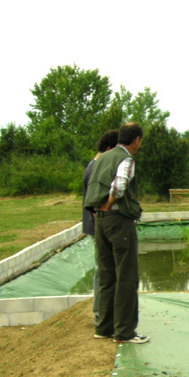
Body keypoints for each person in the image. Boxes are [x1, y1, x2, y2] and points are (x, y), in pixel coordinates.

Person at [84, 122, 149, 344]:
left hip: (100, 222)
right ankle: (124, 332)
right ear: (136, 140)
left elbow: (92, 188)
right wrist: (109, 202)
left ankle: (104, 328)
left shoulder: (102, 157)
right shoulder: (126, 159)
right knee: (126, 276)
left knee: (106, 275)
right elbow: (120, 186)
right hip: (118, 220)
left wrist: (99, 209)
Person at [82, 129, 119, 325]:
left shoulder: (93, 166)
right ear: (107, 149)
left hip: (97, 225)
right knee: (103, 270)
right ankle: (100, 315)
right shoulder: (96, 168)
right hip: (98, 226)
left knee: (105, 269)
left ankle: (104, 313)